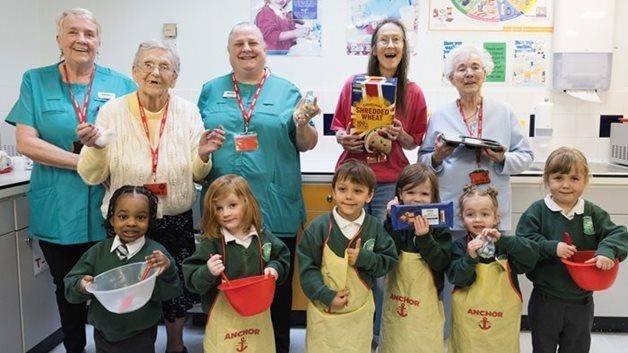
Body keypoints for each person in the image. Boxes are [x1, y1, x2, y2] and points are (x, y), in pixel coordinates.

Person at [77, 41, 224, 353]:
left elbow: (197, 173)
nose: (155, 72)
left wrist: (202, 154)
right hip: (126, 220)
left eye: (164, 66)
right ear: (134, 71)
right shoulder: (112, 111)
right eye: (147, 64)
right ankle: (130, 345)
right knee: (125, 285)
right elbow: (90, 174)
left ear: (175, 76)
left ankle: (175, 346)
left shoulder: (187, 111)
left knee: (175, 288)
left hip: (175, 216)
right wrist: (95, 147)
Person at [4, 8, 136, 353]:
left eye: (89, 34)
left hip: (110, 207)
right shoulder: (36, 80)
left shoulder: (121, 84)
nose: (82, 40)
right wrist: (85, 163)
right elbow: (26, 142)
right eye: (73, 32)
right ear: (59, 39)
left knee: (116, 285)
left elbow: (136, 136)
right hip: (57, 206)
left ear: (99, 41)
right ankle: (75, 347)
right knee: (69, 287)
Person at [197, 22, 318, 353]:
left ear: (266, 49)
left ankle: (276, 346)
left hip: (274, 208)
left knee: (274, 288)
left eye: (253, 42)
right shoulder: (210, 90)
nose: (246, 49)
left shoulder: (288, 91)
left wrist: (303, 123)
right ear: (229, 51)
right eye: (238, 43)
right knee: (222, 283)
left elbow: (306, 143)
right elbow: (197, 140)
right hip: (223, 210)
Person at [516, 147, 628, 353]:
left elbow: (619, 234)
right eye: (558, 178)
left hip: (582, 302)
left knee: (577, 348)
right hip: (545, 299)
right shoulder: (537, 211)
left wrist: (607, 251)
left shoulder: (592, 213)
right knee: (543, 348)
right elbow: (523, 242)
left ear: (585, 180)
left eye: (574, 178)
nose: (566, 185)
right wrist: (552, 247)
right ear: (547, 179)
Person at [418, 43, 533, 234]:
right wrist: (437, 157)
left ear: (485, 73)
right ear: (451, 78)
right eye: (461, 69)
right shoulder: (440, 115)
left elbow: (526, 156)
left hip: (492, 210)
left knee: (493, 260)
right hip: (453, 204)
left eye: (475, 67)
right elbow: (422, 161)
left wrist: (502, 159)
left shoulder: (503, 112)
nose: (469, 73)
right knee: (455, 261)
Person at [297, 160, 398, 353]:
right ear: (333, 192)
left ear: (370, 196)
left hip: (359, 317)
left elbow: (389, 261)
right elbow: (307, 269)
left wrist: (364, 258)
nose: (349, 197)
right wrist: (326, 296)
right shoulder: (317, 228)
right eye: (342, 189)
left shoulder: (374, 228)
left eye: (358, 191)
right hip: (324, 313)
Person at [64, 185, 180, 353]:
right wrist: (81, 285)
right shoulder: (98, 252)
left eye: (140, 217)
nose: (131, 223)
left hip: (141, 333)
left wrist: (167, 270)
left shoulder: (156, 254)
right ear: (112, 219)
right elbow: (70, 283)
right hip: (103, 332)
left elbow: (171, 291)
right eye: (123, 216)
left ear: (150, 220)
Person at [182, 174, 290, 353]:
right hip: (224, 319)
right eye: (219, 208)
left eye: (232, 205)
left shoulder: (263, 237)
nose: (225, 213)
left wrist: (275, 268)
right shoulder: (211, 242)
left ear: (247, 203)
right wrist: (208, 271)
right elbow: (192, 281)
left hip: (258, 318)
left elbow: (282, 257)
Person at [333, 18, 427, 223]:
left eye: (396, 39)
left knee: (384, 238)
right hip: (352, 175)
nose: (390, 45)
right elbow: (338, 128)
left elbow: (414, 143)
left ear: (403, 48)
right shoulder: (353, 84)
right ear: (374, 49)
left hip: (389, 179)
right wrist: (343, 138)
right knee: (350, 236)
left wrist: (400, 135)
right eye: (384, 40)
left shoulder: (413, 92)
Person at [447, 185, 538, 353]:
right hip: (469, 324)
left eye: (485, 214)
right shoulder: (459, 246)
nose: (477, 219)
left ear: (496, 218)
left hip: (501, 324)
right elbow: (457, 278)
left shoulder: (505, 246)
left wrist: (504, 241)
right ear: (462, 218)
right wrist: (470, 258)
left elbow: (530, 257)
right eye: (470, 214)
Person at [379, 163, 452, 353]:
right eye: (411, 192)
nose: (417, 200)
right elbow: (387, 255)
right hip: (397, 301)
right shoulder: (392, 223)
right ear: (399, 194)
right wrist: (390, 221)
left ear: (433, 197)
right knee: (395, 342)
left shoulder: (440, 227)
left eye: (424, 194)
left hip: (426, 305)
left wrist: (425, 238)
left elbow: (442, 262)